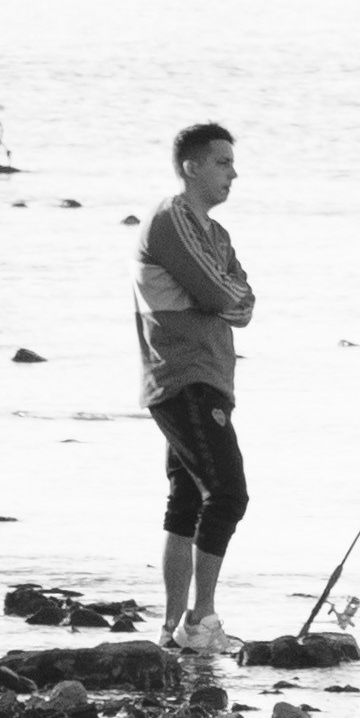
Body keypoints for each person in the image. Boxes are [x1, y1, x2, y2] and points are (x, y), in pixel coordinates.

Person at [137, 118, 254, 655]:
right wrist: (224, 292)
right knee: (228, 494)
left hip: (209, 377)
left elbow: (245, 301)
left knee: (186, 501)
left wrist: (227, 293)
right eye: (223, 162)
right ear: (192, 166)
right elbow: (217, 292)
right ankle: (201, 619)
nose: (233, 172)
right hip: (183, 376)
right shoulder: (172, 219)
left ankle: (172, 629)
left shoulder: (217, 233)